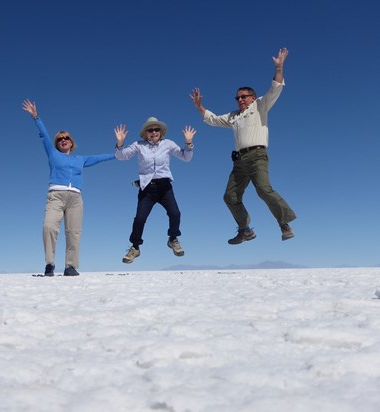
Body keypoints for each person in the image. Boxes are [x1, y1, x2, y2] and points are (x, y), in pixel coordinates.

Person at [190, 47, 296, 245]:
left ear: (252, 98)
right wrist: (200, 107)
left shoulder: (260, 106)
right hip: (239, 161)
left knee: (264, 190)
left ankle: (284, 224)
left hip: (257, 156)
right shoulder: (233, 116)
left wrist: (280, 67)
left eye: (243, 96)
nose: (240, 100)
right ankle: (245, 230)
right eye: (237, 97)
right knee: (229, 196)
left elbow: (276, 88)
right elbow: (213, 119)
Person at [22, 99, 115, 277]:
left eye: (66, 138)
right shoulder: (53, 154)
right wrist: (36, 117)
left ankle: (70, 266)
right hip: (56, 195)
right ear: (57, 144)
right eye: (60, 139)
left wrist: (118, 154)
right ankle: (50, 264)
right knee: (49, 227)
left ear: (71, 143)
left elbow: (99, 157)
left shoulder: (80, 160)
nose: (63, 140)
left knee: (74, 232)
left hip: (75, 199)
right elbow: (44, 136)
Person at [114, 117, 195, 264]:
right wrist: (120, 144)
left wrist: (188, 143)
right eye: (150, 130)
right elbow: (121, 156)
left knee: (175, 213)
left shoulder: (168, 144)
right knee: (139, 219)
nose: (153, 132)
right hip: (147, 189)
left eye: (156, 129)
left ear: (161, 132)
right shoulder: (139, 145)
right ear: (145, 133)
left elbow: (186, 157)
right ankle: (135, 247)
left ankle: (173, 239)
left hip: (165, 187)